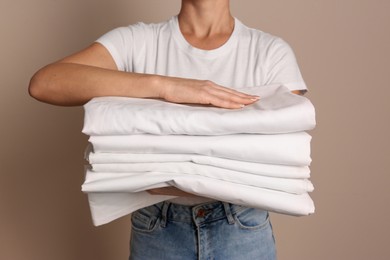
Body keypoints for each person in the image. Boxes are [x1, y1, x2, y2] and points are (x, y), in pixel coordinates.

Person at [29, 0, 307, 259]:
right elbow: (45, 83)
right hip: (157, 230)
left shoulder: (270, 52)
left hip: (242, 231)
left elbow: (281, 154)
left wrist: (173, 175)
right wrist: (166, 87)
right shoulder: (138, 42)